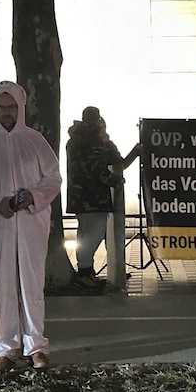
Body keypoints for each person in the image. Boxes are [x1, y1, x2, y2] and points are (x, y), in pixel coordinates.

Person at [0, 81, 62, 371]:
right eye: (1, 107)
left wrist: (32, 197)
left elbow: (53, 178)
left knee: (32, 284)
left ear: (20, 108)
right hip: (0, 226)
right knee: (3, 286)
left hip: (32, 225)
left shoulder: (36, 142)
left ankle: (36, 345)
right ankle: (4, 348)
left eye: (11, 107)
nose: (6, 112)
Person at [65, 107, 139, 288]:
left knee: (84, 235)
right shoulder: (92, 140)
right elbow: (99, 169)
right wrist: (115, 180)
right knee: (93, 235)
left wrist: (108, 144)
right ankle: (84, 273)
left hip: (79, 196)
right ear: (98, 121)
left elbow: (115, 161)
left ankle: (87, 272)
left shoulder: (74, 140)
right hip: (93, 197)